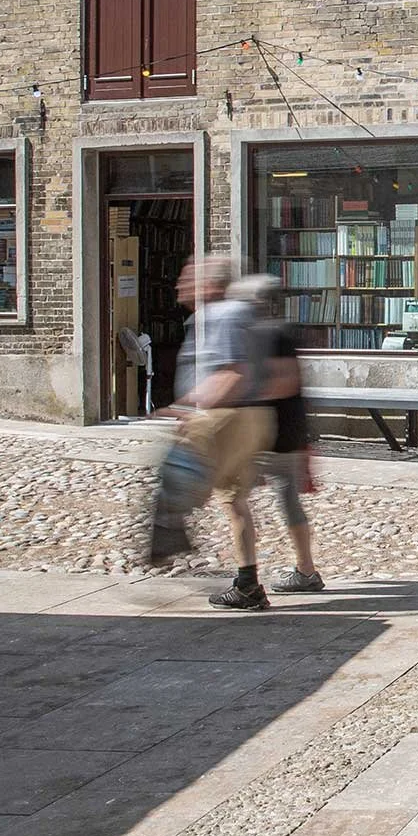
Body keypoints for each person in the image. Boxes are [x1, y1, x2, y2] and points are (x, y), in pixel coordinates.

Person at [155, 255, 276, 610]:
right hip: (250, 416)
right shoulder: (233, 314)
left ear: (209, 285)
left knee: (177, 468)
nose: (180, 285)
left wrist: (187, 407)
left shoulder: (223, 314)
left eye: (188, 278)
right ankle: (248, 584)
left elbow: (233, 373)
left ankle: (168, 533)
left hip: (229, 415)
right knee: (234, 502)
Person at [230, 275, 325, 594]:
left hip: (272, 431)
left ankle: (250, 579)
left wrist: (242, 399)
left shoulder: (268, 333)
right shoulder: (274, 331)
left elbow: (285, 381)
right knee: (282, 499)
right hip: (282, 429)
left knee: (237, 499)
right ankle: (305, 570)